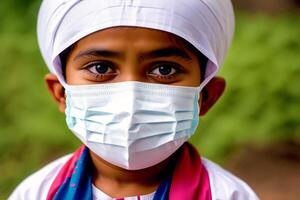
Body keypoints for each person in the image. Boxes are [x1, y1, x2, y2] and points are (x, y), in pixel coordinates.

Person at [9, 0, 259, 199]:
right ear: (61, 93)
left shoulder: (229, 195)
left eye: (164, 70)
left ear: (205, 96)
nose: (130, 96)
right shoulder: (37, 193)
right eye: (100, 68)